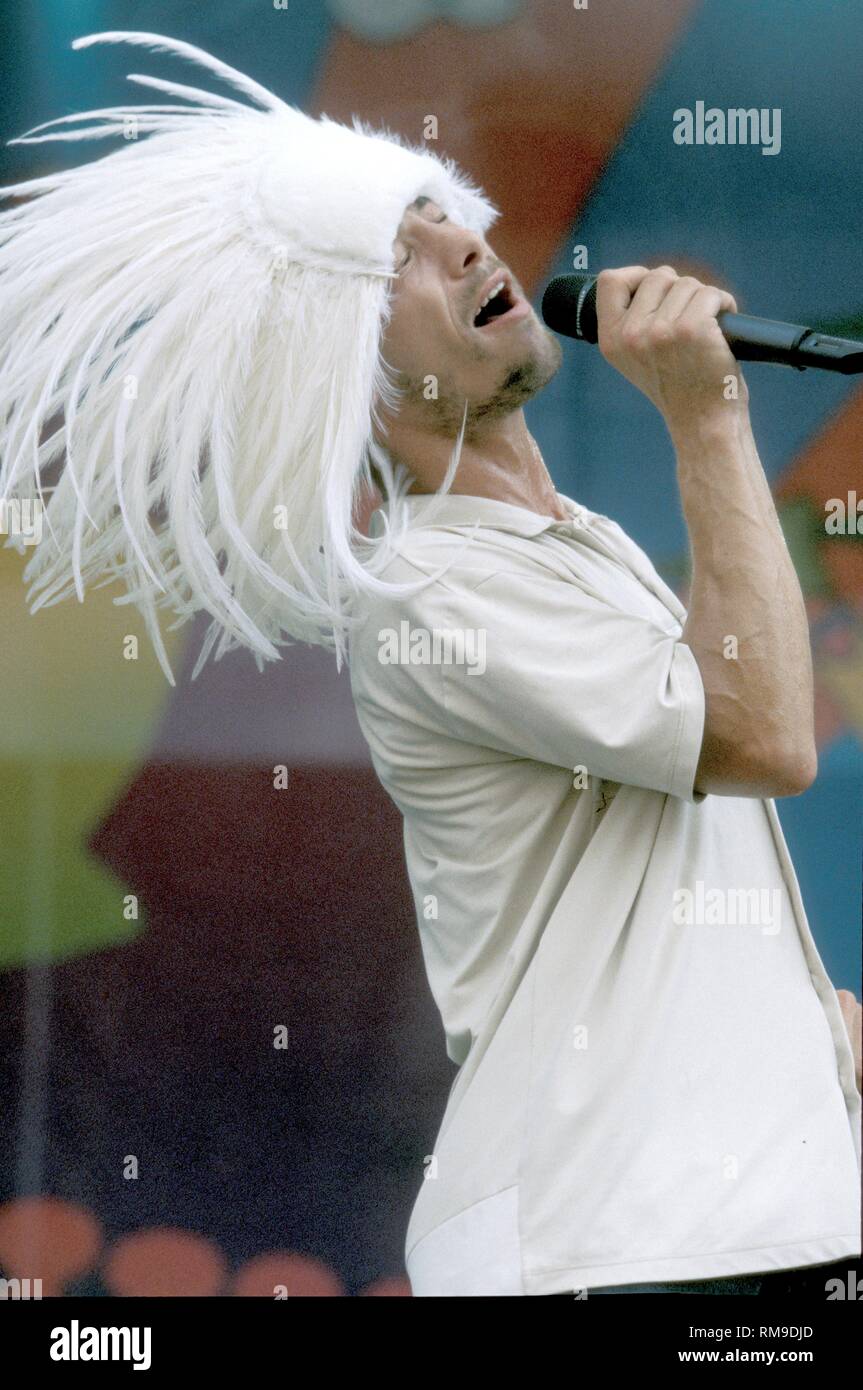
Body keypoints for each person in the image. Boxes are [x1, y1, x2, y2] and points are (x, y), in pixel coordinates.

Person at [1, 32, 859, 1299]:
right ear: (339, 361)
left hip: (715, 1219)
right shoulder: (429, 585)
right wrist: (708, 415)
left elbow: (651, 839)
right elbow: (761, 738)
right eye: (395, 254)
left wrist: (787, 1021)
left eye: (441, 219)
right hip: (619, 1243)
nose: (463, 244)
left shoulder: (572, 545)